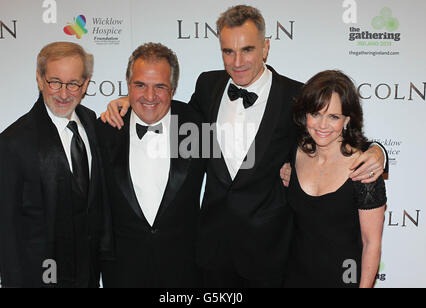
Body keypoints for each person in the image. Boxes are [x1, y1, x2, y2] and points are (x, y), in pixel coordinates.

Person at [101, 5, 387, 287]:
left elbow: (332, 132)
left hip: (269, 254)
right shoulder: (207, 85)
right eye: (228, 51)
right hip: (211, 254)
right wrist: (130, 102)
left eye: (247, 49)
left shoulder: (294, 96)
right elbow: (168, 111)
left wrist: (378, 152)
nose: (237, 62)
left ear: (265, 47)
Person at [0, 42, 112, 288]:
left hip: (88, 276)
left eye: (73, 83)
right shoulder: (14, 142)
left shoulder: (92, 123)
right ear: (39, 79)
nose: (63, 93)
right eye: (54, 81)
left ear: (86, 84)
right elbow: (6, 230)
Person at [97, 43, 206, 288]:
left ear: (173, 89)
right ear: (128, 84)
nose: (149, 96)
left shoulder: (197, 127)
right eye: (140, 85)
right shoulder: (104, 130)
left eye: (160, 86)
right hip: (122, 270)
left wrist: (286, 165)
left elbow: (241, 164)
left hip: (184, 270)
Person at [284, 70, 386, 288]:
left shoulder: (364, 167)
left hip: (343, 279)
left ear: (347, 119)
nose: (322, 126)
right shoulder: (293, 152)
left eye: (333, 117)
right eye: (315, 114)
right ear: (305, 115)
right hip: (294, 277)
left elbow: (371, 243)